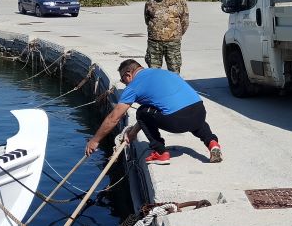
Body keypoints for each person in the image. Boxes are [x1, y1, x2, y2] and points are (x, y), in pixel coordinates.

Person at [85, 59, 222, 165]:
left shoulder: (133, 86)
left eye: (123, 79)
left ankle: (161, 152)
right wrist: (133, 133)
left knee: (141, 112)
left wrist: (95, 140)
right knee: (191, 116)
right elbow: (155, 109)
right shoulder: (162, 72)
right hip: (199, 111)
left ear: (128, 75)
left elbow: (113, 118)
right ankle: (212, 143)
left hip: (177, 120)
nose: (124, 83)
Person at [144, 0, 189, 74]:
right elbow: (147, 19)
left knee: (174, 71)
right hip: (154, 43)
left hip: (172, 43)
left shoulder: (179, 1)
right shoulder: (151, 1)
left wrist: (176, 34)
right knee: (153, 72)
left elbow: (185, 21)